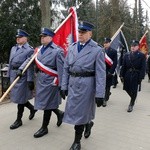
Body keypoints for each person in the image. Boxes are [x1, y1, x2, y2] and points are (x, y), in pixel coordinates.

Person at [60, 21, 106, 150]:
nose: (80, 34)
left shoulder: (97, 50)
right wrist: (63, 86)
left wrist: (100, 94)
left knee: (80, 114)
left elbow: (101, 74)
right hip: (73, 84)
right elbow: (65, 68)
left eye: (83, 32)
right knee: (77, 112)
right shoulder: (72, 47)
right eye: (79, 31)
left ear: (90, 34)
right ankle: (88, 123)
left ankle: (77, 141)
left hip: (87, 86)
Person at [33, 27, 65, 138]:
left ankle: (44, 127)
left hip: (51, 81)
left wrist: (62, 86)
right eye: (41, 36)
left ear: (51, 37)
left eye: (44, 36)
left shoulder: (57, 51)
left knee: (46, 104)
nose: (42, 38)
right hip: (40, 79)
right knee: (46, 102)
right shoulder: (38, 49)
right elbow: (31, 61)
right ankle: (59, 113)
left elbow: (61, 70)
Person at [7, 29, 36, 130]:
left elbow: (30, 66)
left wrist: (30, 80)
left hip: (22, 77)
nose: (17, 39)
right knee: (19, 98)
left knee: (20, 99)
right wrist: (8, 76)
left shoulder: (29, 50)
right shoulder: (13, 48)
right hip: (13, 75)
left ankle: (18, 120)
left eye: (20, 37)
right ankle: (32, 108)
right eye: (17, 37)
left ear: (25, 38)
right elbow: (10, 63)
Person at [120, 40, 146, 112]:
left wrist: (141, 77)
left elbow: (143, 67)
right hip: (127, 74)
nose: (133, 47)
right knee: (126, 88)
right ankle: (133, 97)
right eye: (132, 46)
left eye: (134, 46)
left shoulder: (141, 55)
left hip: (136, 74)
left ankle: (131, 104)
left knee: (134, 90)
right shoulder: (127, 55)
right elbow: (123, 66)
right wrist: (121, 75)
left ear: (138, 47)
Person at [103, 37, 117, 107]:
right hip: (102, 71)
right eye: (104, 43)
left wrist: (111, 72)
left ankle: (105, 99)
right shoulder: (102, 51)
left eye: (106, 43)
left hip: (109, 71)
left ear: (109, 43)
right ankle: (104, 96)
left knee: (107, 86)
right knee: (102, 85)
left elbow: (115, 63)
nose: (105, 44)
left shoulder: (113, 51)